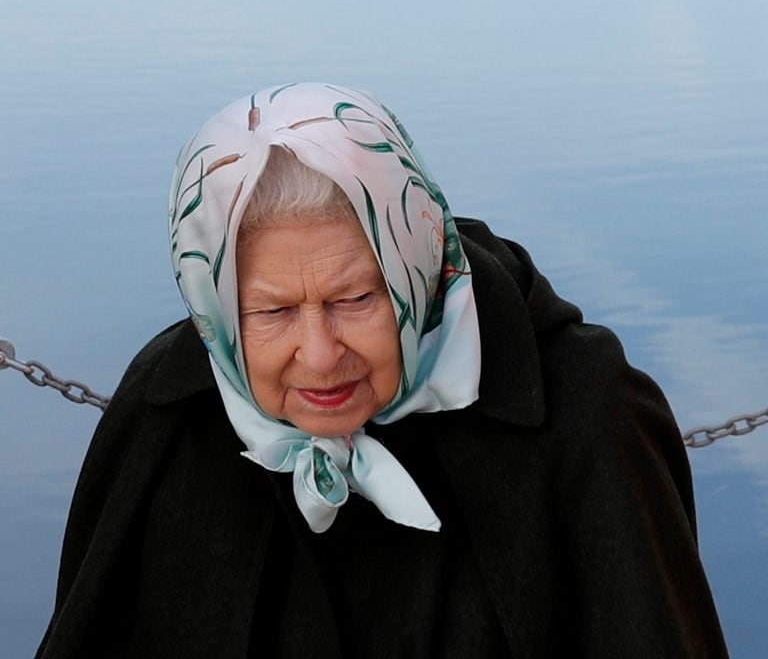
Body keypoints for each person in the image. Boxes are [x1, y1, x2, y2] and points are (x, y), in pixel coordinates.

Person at [36, 82, 730, 658]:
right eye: (272, 312)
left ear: (418, 264)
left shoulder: (584, 408)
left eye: (355, 298)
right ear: (211, 306)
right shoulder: (164, 417)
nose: (320, 353)